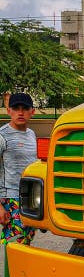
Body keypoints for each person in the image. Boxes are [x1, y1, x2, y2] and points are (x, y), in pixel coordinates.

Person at [1, 92, 37, 245]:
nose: (20, 112)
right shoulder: (2, 136)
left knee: (27, 242)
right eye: (16, 108)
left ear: (32, 112)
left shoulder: (32, 135)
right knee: (15, 243)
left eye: (25, 108)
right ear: (9, 110)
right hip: (11, 198)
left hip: (31, 198)